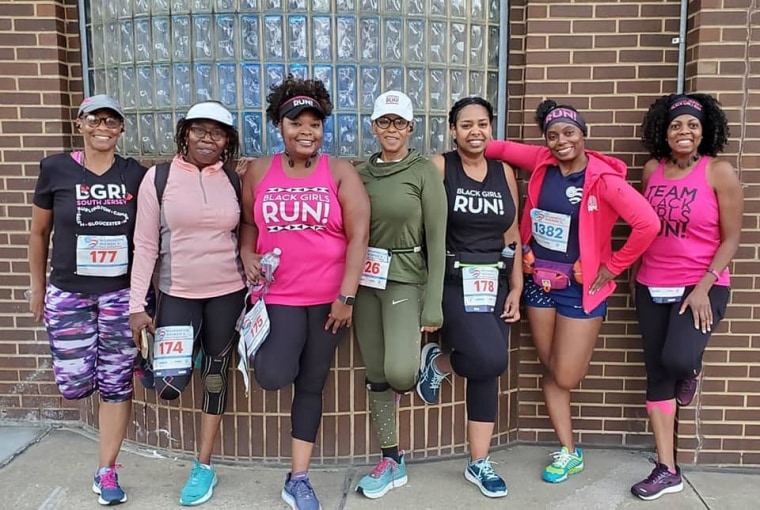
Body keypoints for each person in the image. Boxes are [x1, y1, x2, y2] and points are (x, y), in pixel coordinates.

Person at [485, 99, 660, 483]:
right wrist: (463, 143)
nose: (561, 141)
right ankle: (568, 450)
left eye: (569, 133)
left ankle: (568, 447)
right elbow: (493, 147)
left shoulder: (604, 180)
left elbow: (647, 224)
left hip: (579, 290)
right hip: (539, 282)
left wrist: (612, 266)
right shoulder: (541, 163)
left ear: (583, 135)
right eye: (552, 135)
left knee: (564, 375)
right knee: (550, 368)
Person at [239, 76, 369, 510]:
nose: (306, 131)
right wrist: (245, 252)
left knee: (312, 386)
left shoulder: (341, 172)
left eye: (315, 123)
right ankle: (296, 472)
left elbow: (359, 236)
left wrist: (347, 296)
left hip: (329, 302)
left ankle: (298, 477)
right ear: (280, 125)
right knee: (274, 374)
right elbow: (248, 223)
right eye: (297, 123)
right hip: (278, 298)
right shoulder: (259, 170)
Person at [28, 95, 146, 505]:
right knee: (75, 384)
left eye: (112, 121)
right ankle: (101, 373)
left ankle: (106, 471)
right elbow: (39, 233)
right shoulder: (55, 169)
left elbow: (147, 238)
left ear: (121, 130)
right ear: (80, 123)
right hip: (69, 294)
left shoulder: (134, 174)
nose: (103, 127)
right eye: (95, 119)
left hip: (118, 295)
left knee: (115, 386)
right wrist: (38, 288)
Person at [128, 101, 246, 506]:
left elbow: (246, 233)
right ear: (185, 133)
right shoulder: (158, 178)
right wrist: (136, 306)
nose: (208, 139)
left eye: (217, 132)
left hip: (228, 292)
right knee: (168, 386)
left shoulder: (232, 179)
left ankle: (203, 465)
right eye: (199, 130)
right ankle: (176, 357)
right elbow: (144, 245)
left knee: (215, 376)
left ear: (227, 140)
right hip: (177, 293)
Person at [630, 94, 743, 501]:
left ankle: (690, 372)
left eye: (692, 126)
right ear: (665, 130)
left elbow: (731, 237)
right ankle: (667, 468)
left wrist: (703, 288)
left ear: (704, 131)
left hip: (701, 285)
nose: (684, 132)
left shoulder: (719, 172)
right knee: (658, 375)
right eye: (677, 125)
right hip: (651, 284)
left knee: (677, 359)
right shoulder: (651, 172)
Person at [415, 97, 522, 498]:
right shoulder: (440, 167)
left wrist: (516, 286)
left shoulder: (504, 171)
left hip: (495, 279)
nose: (475, 131)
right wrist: (426, 290)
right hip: (453, 279)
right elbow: (421, 227)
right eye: (466, 125)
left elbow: (511, 233)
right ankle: (440, 360)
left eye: (482, 123)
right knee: (491, 359)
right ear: (452, 130)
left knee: (486, 370)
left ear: (491, 127)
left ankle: (479, 462)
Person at [353, 91, 447, 499]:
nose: (392, 130)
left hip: (407, 277)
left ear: (411, 128)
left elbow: (437, 238)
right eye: (384, 122)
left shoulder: (423, 171)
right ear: (373, 126)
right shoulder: (360, 173)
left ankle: (425, 358)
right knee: (376, 373)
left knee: (401, 374)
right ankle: (392, 459)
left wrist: (434, 302)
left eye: (400, 123)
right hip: (365, 281)